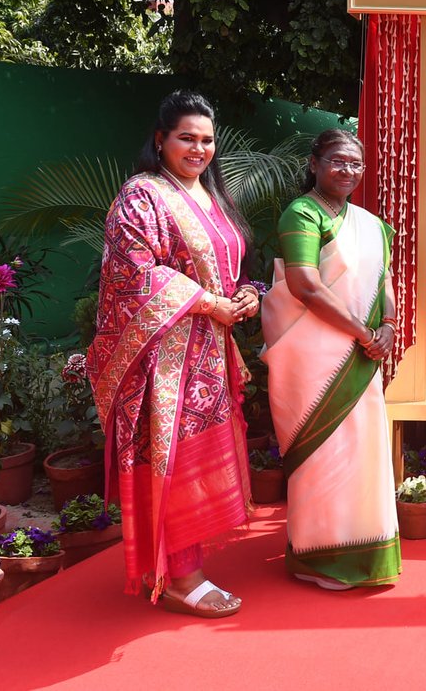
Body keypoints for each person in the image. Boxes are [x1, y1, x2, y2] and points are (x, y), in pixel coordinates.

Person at [88, 90, 259, 618]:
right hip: (165, 358)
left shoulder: (210, 195)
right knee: (175, 457)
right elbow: (135, 274)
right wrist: (212, 303)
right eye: (187, 137)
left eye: (207, 140)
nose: (199, 148)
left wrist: (247, 292)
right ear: (160, 139)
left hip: (208, 351)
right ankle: (183, 578)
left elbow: (228, 263)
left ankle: (185, 563)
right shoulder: (142, 195)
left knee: (201, 455)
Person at [261, 129, 401, 590]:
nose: (348, 171)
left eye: (356, 164)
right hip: (315, 357)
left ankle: (367, 552)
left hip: (362, 353)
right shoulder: (301, 212)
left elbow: (385, 287)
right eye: (338, 161)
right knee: (322, 454)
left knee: (362, 452)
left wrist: (388, 327)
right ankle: (318, 555)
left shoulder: (373, 225)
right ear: (314, 163)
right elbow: (305, 285)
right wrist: (364, 333)